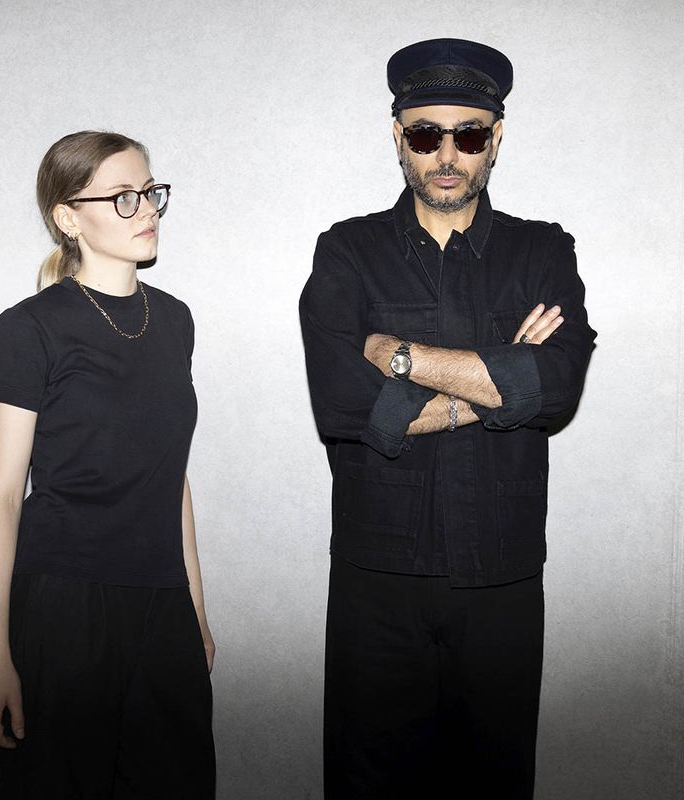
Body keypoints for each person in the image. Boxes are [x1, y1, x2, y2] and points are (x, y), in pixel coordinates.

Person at [299, 39, 595, 799]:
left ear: (496, 138)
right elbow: (342, 403)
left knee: (493, 781)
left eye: (468, 134)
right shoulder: (347, 251)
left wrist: (396, 355)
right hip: (376, 578)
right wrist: (498, 381)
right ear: (399, 137)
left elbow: (556, 387)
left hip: (501, 574)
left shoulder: (542, 251)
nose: (447, 155)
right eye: (427, 134)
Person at [0, 131, 216, 799]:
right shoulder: (30, 327)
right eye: (124, 197)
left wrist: (194, 610)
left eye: (151, 192)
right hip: (65, 608)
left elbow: (171, 475)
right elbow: (1, 499)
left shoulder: (176, 321)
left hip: (162, 605)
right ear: (68, 217)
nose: (148, 210)